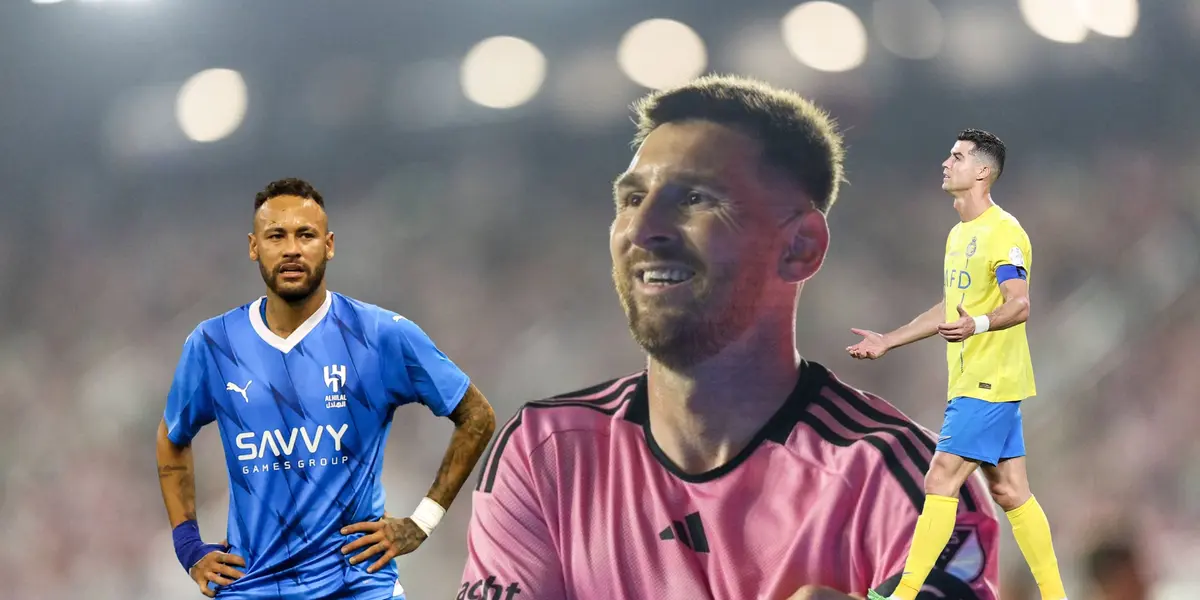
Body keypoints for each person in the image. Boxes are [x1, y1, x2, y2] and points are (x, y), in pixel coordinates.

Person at [458, 75, 998, 600]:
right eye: (631, 199)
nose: (643, 229)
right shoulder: (544, 451)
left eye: (695, 198)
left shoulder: (912, 484)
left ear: (800, 247)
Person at [155, 178, 496, 599]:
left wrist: (421, 522)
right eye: (276, 235)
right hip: (253, 587)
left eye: (306, 235)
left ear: (329, 245)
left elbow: (477, 416)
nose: (292, 249)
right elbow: (172, 438)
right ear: (253, 246)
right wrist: (189, 548)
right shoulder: (212, 344)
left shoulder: (380, 335)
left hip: (359, 586)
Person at [847, 130, 1067, 600]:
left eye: (959, 156)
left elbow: (1020, 303)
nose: (947, 162)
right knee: (1010, 491)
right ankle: (1055, 595)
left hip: (990, 381)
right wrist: (890, 340)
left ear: (983, 172)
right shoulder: (958, 235)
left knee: (941, 476)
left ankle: (902, 594)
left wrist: (980, 325)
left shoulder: (1004, 232)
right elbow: (951, 306)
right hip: (973, 378)